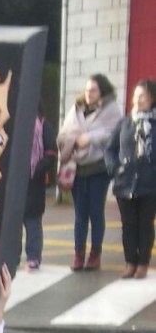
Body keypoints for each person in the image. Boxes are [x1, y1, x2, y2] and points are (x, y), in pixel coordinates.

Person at [57, 74, 122, 271]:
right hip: (76, 168)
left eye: (93, 90)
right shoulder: (76, 108)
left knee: (96, 212)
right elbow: (64, 132)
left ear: (102, 91)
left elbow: (114, 134)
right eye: (87, 90)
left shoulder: (111, 110)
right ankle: (78, 254)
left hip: (98, 169)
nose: (89, 94)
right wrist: (71, 139)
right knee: (80, 214)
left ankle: (95, 254)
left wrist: (90, 138)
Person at [105, 78, 156, 280]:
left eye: (142, 96)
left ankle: (142, 263)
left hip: (149, 185)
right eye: (136, 96)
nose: (137, 99)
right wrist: (114, 168)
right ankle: (130, 263)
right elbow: (110, 149)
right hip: (125, 183)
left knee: (145, 225)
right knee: (128, 225)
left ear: (152, 99)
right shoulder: (124, 123)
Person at [19, 104, 57, 271]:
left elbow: (51, 152)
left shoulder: (44, 126)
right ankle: (12, 257)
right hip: (15, 180)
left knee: (32, 220)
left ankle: (33, 257)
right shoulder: (14, 122)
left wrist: (37, 169)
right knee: (13, 221)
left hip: (34, 181)